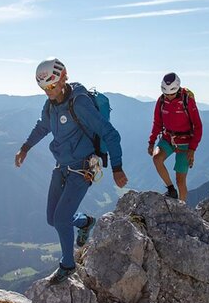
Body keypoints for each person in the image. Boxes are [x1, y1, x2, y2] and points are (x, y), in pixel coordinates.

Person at [15, 58, 128, 284]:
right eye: (44, 88)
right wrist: (25, 148)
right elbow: (43, 126)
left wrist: (117, 167)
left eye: (52, 86)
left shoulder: (79, 104)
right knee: (52, 219)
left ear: (63, 77)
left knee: (60, 219)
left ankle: (68, 265)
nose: (48, 91)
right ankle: (85, 222)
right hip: (62, 167)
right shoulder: (51, 105)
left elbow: (110, 133)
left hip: (82, 170)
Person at [147, 72, 203, 201]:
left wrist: (192, 149)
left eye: (171, 94)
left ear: (177, 89)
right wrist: (151, 142)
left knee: (180, 180)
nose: (169, 97)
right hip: (168, 138)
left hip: (185, 143)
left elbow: (198, 126)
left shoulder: (187, 100)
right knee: (156, 158)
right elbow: (157, 123)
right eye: (166, 94)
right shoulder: (161, 101)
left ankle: (182, 208)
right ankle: (171, 189)